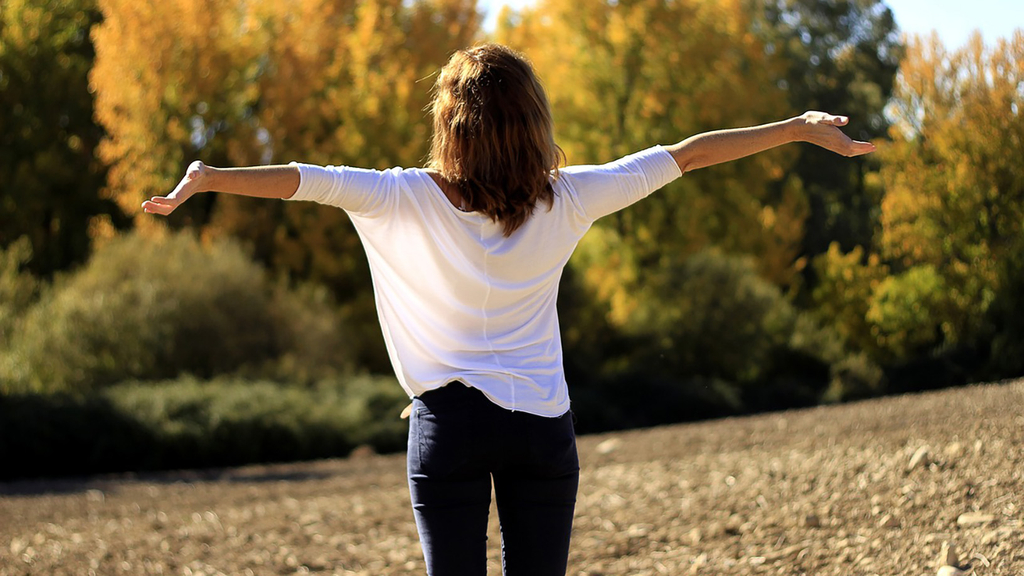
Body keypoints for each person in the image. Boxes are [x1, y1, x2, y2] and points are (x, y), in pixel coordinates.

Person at [143, 43, 874, 576]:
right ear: (533, 121)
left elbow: (303, 180)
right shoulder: (571, 197)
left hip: (448, 429)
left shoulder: (401, 196)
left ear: (450, 125)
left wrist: (208, 178)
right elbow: (684, 156)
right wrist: (796, 127)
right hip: (542, 429)